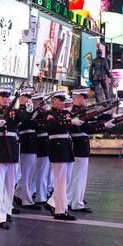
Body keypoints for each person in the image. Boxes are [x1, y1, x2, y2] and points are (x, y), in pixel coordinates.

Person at [0, 86, 32, 229]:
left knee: (10, 185)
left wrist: (24, 104)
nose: (5, 99)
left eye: (7, 97)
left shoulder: (15, 112)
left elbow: (27, 119)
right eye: (2, 97)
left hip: (12, 150)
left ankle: (8, 210)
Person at [67, 88, 115, 213]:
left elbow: (90, 124)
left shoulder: (79, 112)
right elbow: (87, 128)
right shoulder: (75, 113)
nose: (85, 99)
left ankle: (74, 200)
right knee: (79, 176)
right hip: (79, 146)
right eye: (84, 97)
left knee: (78, 176)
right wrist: (103, 126)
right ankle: (76, 203)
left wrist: (103, 122)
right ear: (77, 98)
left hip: (80, 146)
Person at [44, 91, 83, 221]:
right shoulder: (50, 114)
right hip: (57, 147)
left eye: (62, 101)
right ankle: (60, 210)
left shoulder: (65, 113)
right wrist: (70, 122)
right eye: (59, 100)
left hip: (66, 147)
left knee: (65, 180)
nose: (62, 103)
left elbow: (74, 125)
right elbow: (53, 125)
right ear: (53, 101)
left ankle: (58, 206)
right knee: (60, 181)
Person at [14, 88, 41, 209]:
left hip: (32, 142)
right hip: (26, 142)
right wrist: (26, 108)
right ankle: (26, 199)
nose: (28, 99)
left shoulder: (31, 110)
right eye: (26, 96)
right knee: (27, 172)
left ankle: (20, 194)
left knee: (29, 172)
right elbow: (24, 122)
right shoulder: (19, 110)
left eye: (29, 96)